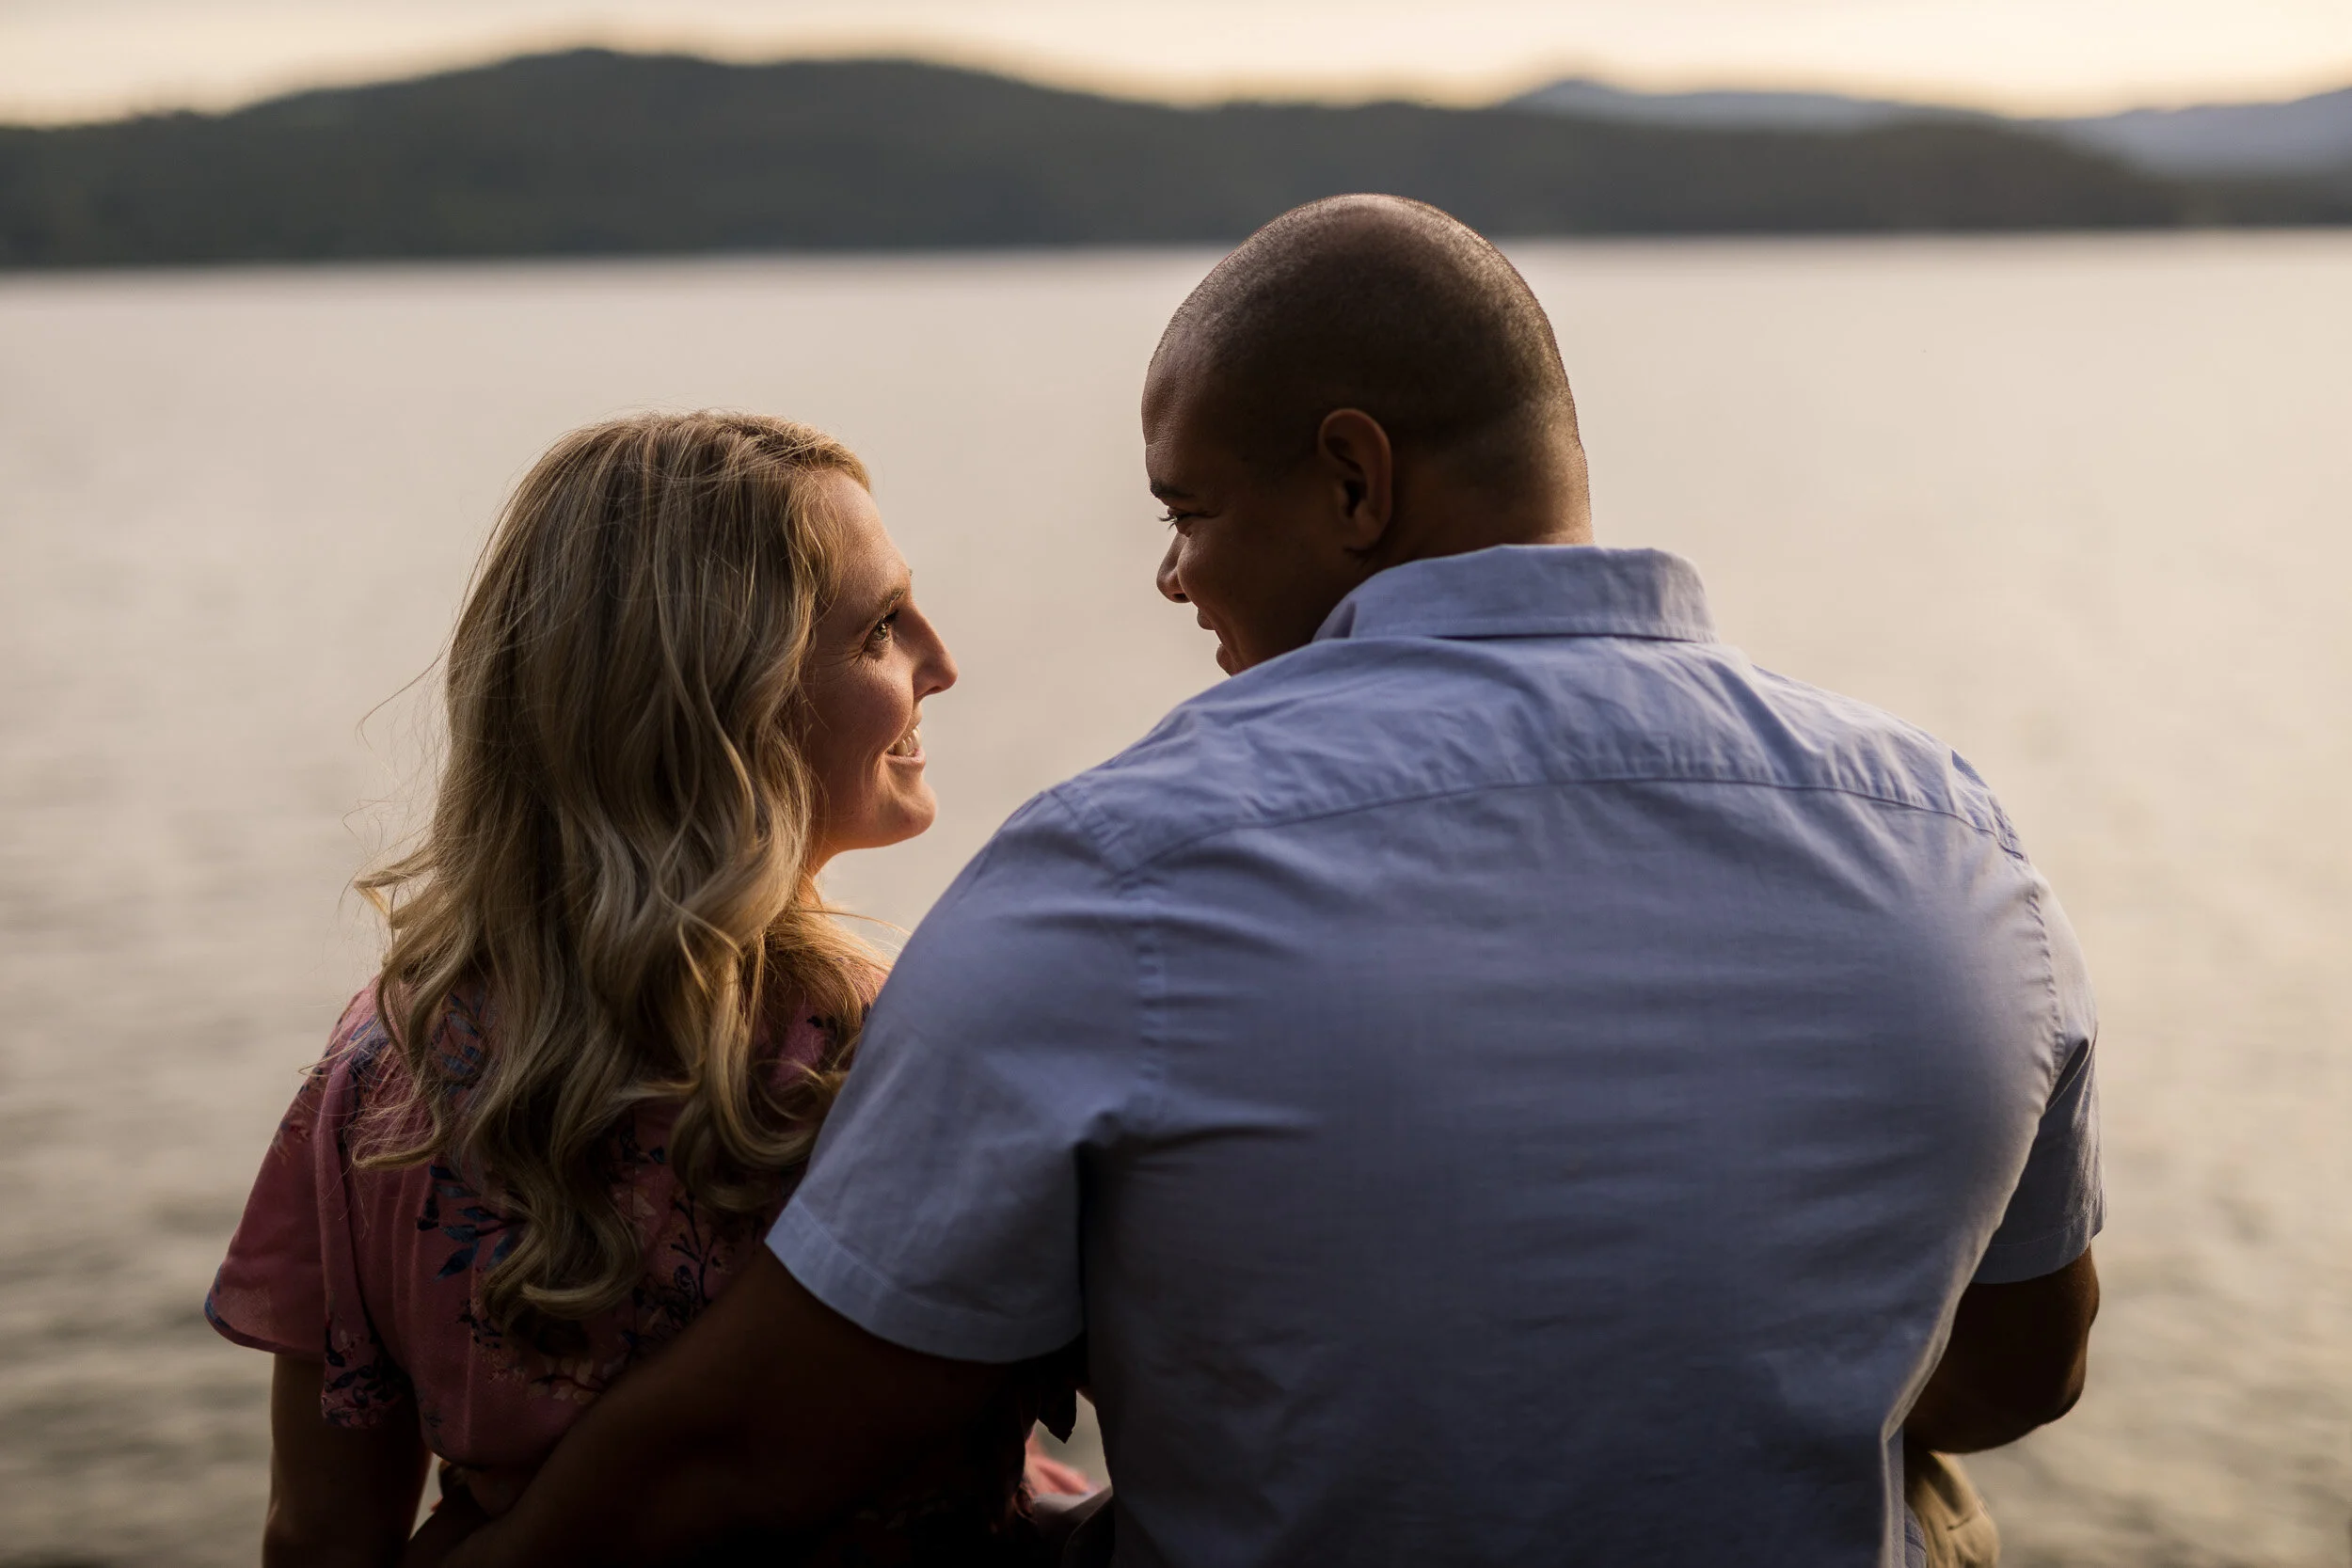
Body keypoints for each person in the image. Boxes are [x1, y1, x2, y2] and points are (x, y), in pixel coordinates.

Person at [437, 197, 2101, 1568]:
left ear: (1355, 481)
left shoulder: (1119, 875)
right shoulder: (1959, 843)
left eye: (1193, 512)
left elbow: (736, 1455)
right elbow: (2027, 1365)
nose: (1174, 576)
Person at [204, 411, 1089, 1567]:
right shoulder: (885, 1038)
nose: (942, 660)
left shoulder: (383, 1066)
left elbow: (322, 1532)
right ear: (723, 703)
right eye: (881, 627)